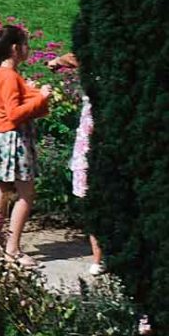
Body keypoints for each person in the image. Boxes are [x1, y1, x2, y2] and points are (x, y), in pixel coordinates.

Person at [0, 23, 52, 262]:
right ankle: (12, 249)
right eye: (25, 44)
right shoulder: (9, 76)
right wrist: (41, 97)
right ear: (14, 48)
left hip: (0, 138)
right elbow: (14, 114)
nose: (28, 49)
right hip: (14, 140)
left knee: (0, 191)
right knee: (26, 195)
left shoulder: (1, 72)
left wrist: (30, 92)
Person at [67, 56, 103, 273]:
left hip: (92, 140)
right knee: (91, 199)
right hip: (89, 140)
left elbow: (78, 57)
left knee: (92, 199)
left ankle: (99, 258)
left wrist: (59, 61)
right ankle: (98, 258)